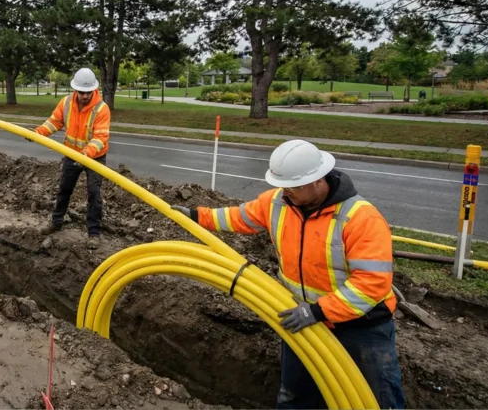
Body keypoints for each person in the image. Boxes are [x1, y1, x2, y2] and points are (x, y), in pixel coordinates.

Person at [173, 139, 405, 409]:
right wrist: (195, 216)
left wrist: (318, 311)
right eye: (282, 186)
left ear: (317, 181)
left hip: (361, 328)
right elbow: (239, 217)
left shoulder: (361, 219)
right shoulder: (278, 202)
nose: (286, 192)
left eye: (293, 187)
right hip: (303, 319)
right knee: (295, 397)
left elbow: (371, 284)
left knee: (374, 401)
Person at [32, 68, 110, 249]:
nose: (84, 96)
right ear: (75, 89)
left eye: (87, 93)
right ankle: (56, 221)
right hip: (71, 154)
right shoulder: (66, 102)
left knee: (94, 194)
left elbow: (100, 137)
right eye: (81, 92)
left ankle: (93, 233)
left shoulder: (101, 108)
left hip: (94, 158)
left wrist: (86, 154)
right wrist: (38, 133)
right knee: (64, 189)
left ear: (94, 90)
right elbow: (54, 122)